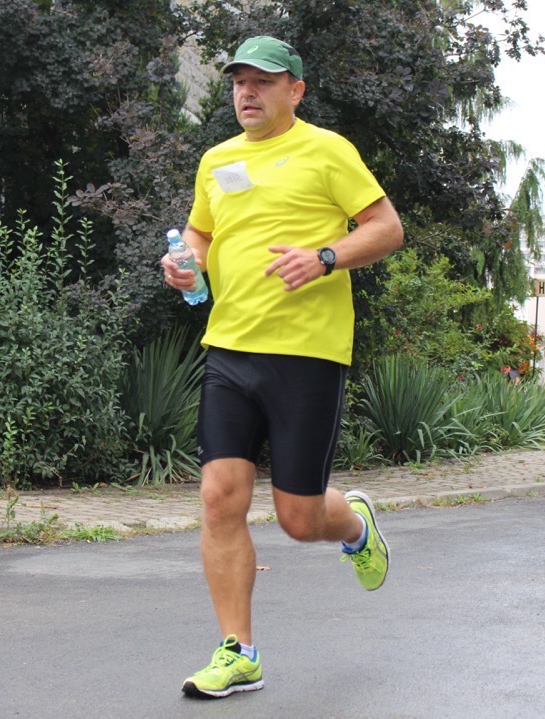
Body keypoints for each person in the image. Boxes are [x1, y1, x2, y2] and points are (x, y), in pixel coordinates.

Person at [160, 36, 404, 699]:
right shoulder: (217, 159)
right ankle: (238, 651)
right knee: (219, 498)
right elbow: (201, 233)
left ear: (294, 90)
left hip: (306, 355)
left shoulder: (327, 150)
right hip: (229, 349)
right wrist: (186, 262)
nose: (247, 92)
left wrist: (325, 257)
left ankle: (352, 523)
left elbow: (386, 228)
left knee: (298, 519)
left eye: (262, 81)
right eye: (239, 81)